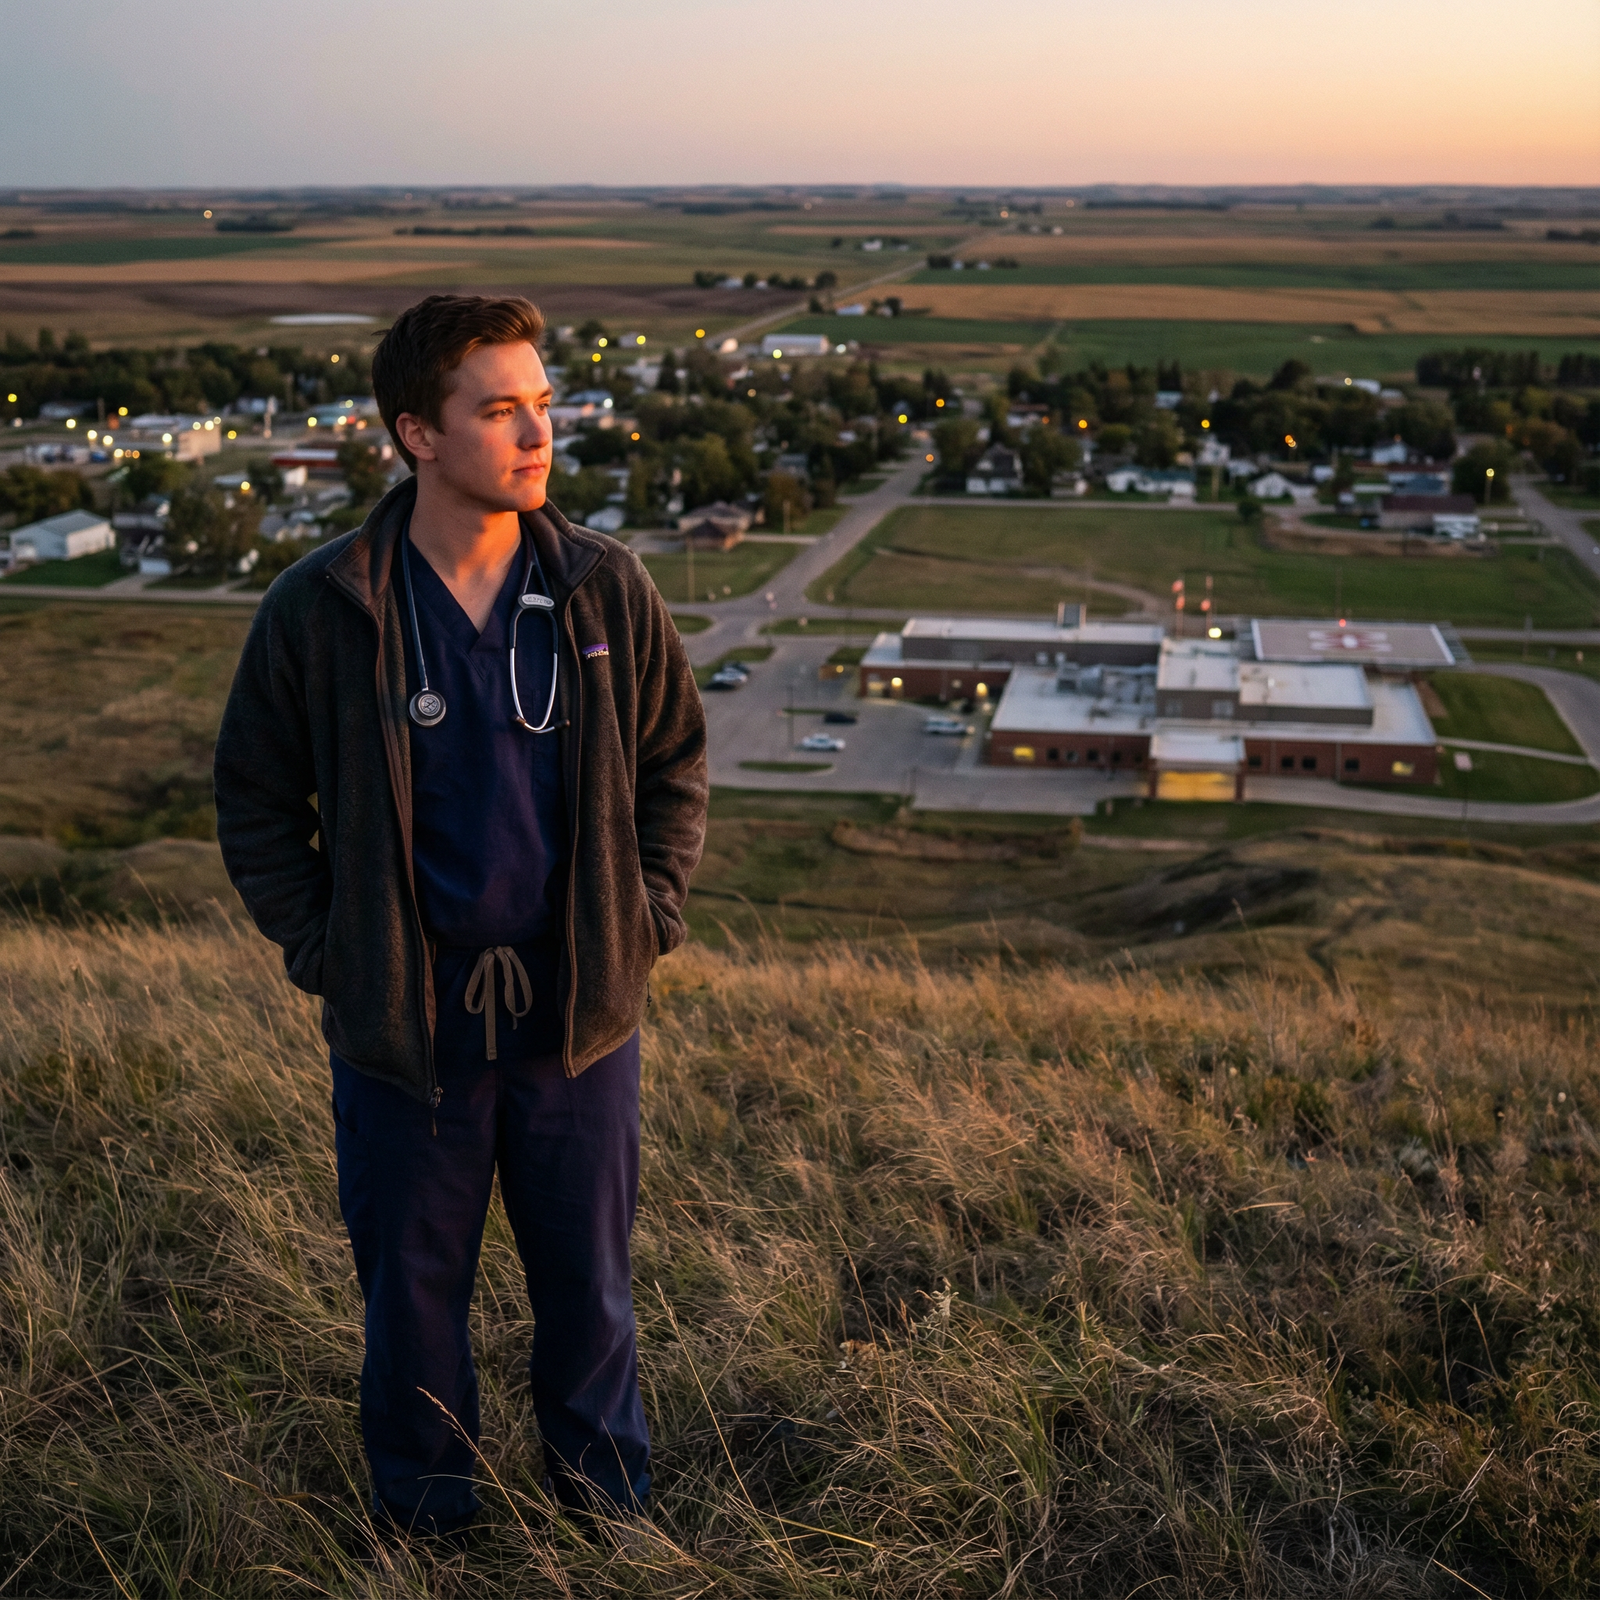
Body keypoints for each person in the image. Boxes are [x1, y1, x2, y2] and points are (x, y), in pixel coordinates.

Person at [214, 293, 707, 1538]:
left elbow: (675, 764)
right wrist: (330, 950)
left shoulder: (603, 589)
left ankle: (606, 1514)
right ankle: (428, 1524)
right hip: (408, 1028)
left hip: (575, 1021)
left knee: (589, 1291)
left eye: (542, 404)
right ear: (415, 435)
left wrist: (647, 917)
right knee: (413, 1298)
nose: (538, 433)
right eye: (499, 410)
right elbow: (256, 800)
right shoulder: (327, 608)